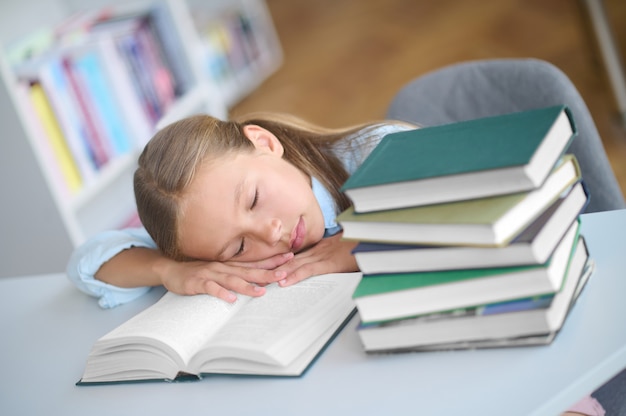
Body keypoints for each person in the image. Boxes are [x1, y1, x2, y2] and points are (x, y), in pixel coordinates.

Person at [66, 112, 413, 309]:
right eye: (238, 248)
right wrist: (167, 270)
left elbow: (463, 205)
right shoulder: (201, 230)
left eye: (254, 200)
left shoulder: (379, 151)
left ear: (264, 143)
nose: (271, 233)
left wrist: (369, 241)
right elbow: (87, 263)